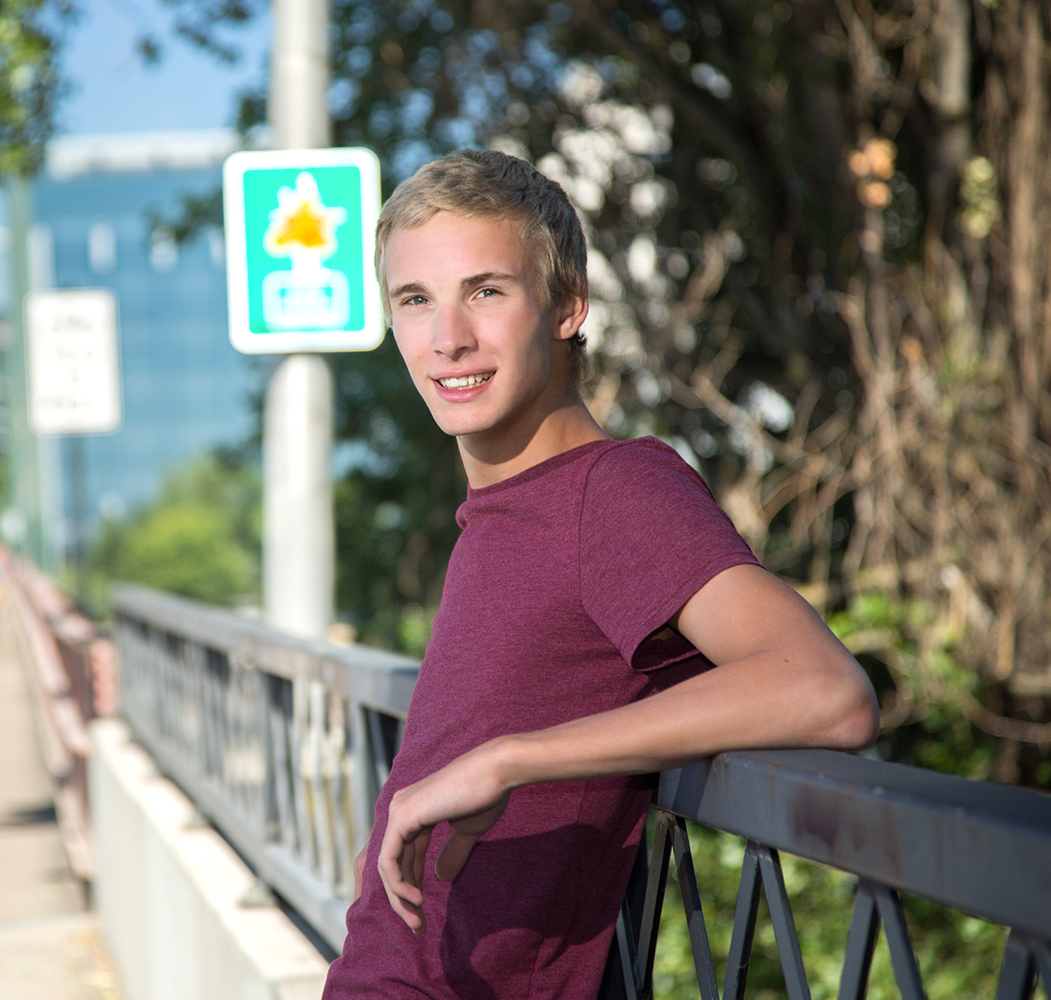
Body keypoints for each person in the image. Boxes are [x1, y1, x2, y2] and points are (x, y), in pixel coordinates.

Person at [322, 150, 879, 1000]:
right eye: (415, 300)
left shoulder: (613, 492)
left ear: (566, 306)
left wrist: (508, 761)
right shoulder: (500, 510)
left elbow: (826, 689)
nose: (448, 339)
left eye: (486, 291)